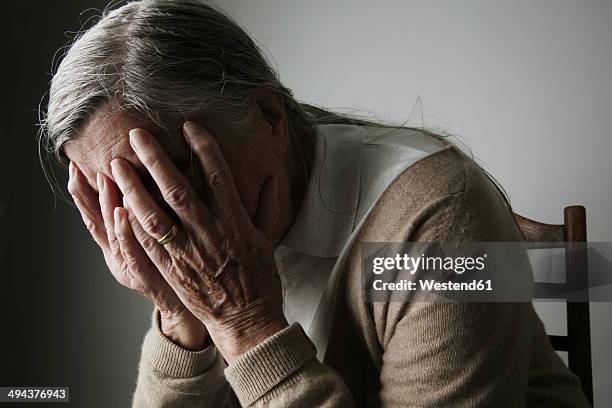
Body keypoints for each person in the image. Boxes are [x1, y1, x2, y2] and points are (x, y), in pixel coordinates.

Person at [41, 0, 590, 406]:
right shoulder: (206, 239)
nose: (155, 223)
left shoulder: (441, 214)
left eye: (167, 173)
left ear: (271, 119)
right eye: (119, 195)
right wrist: (179, 312)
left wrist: (245, 321)